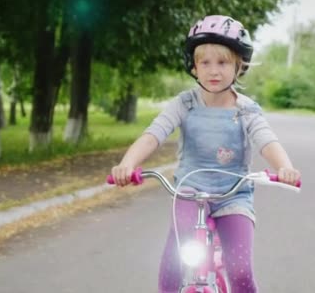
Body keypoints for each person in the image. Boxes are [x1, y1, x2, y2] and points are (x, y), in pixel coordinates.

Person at [110, 15, 301, 293]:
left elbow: (267, 141)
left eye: (222, 62)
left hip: (233, 195)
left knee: (241, 270)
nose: (214, 71)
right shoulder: (184, 104)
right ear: (194, 66)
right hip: (190, 191)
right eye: (205, 62)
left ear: (239, 65)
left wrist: (285, 167)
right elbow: (153, 135)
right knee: (175, 257)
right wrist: (127, 163)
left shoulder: (245, 110)